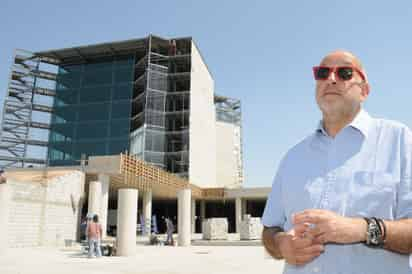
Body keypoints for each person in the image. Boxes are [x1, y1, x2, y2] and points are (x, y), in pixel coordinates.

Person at [261, 50, 412, 274]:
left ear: (364, 91)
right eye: (322, 73)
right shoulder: (292, 157)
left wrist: (361, 229)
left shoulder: (399, 140)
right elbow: (269, 230)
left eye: (345, 73)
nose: (331, 79)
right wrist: (282, 243)